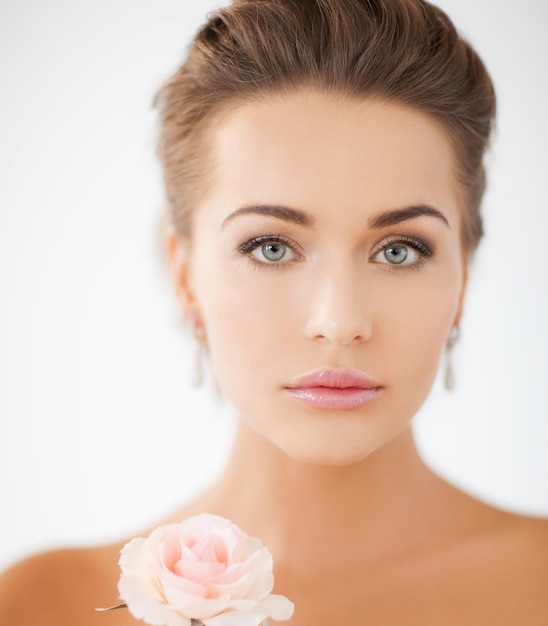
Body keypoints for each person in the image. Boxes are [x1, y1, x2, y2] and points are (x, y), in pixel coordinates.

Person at [1, 0, 547, 624]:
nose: (339, 321)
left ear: (464, 276)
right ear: (184, 275)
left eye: (399, 250)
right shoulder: (44, 605)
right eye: (271, 247)